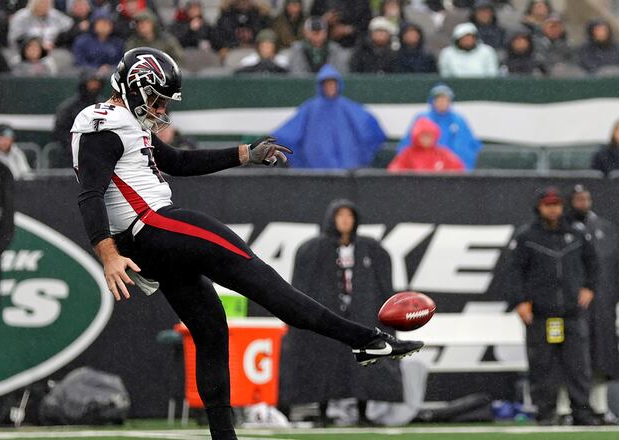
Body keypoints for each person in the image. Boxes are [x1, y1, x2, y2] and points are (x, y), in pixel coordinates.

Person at [71, 47, 423, 440]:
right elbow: (90, 193)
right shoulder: (100, 121)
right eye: (156, 98)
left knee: (211, 329)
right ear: (134, 87)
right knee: (263, 281)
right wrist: (106, 253)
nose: (160, 108)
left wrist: (245, 154)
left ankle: (224, 437)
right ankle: (364, 340)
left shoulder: (125, 124)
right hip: (153, 226)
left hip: (151, 240)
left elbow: (177, 162)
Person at [282, 199, 403, 426]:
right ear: (332, 219)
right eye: (340, 216)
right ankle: (322, 411)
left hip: (362, 316)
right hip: (328, 318)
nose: (345, 221)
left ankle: (363, 411)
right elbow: (301, 286)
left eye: (350, 216)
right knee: (323, 362)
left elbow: (383, 285)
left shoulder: (372, 249)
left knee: (364, 363)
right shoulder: (313, 249)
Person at [507, 187, 599, 426]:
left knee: (578, 366)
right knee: (543, 366)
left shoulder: (576, 233)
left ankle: (581, 411)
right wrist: (520, 301)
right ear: (539, 207)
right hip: (541, 313)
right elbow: (514, 271)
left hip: (571, 312)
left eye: (556, 204)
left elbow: (593, 263)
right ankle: (545, 412)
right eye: (548, 204)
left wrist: (589, 287)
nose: (553, 209)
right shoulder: (527, 235)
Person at [562, 185, 619, 425]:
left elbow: (612, 269)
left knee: (601, 357)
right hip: (569, 305)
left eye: (585, 198)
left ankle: (599, 407)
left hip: (601, 305)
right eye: (577, 198)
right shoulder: (561, 230)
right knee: (568, 357)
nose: (582, 202)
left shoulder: (605, 229)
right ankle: (565, 408)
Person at [272, 64, 386, 169]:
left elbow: (370, 129)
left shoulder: (348, 107)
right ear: (321, 86)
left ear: (338, 85)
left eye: (333, 83)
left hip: (346, 169)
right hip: (317, 167)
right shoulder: (311, 108)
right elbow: (286, 135)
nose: (330, 87)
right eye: (326, 84)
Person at [397, 84, 482, 170]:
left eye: (445, 100)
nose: (442, 102)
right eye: (438, 99)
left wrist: (461, 172)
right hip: (422, 172)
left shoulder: (458, 120)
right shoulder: (422, 118)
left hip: (452, 171)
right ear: (432, 101)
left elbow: (467, 147)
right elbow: (407, 145)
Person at [387, 117, 465, 172]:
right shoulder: (408, 153)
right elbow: (395, 168)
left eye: (429, 136)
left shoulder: (443, 153)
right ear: (416, 136)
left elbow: (458, 169)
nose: (426, 140)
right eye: (423, 136)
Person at [7, 0, 73, 50]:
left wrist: (57, 42)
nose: (45, 6)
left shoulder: (54, 14)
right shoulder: (22, 16)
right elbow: (16, 38)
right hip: (26, 51)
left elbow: (69, 25)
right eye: (42, 3)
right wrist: (38, 44)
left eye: (47, 4)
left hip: (53, 50)